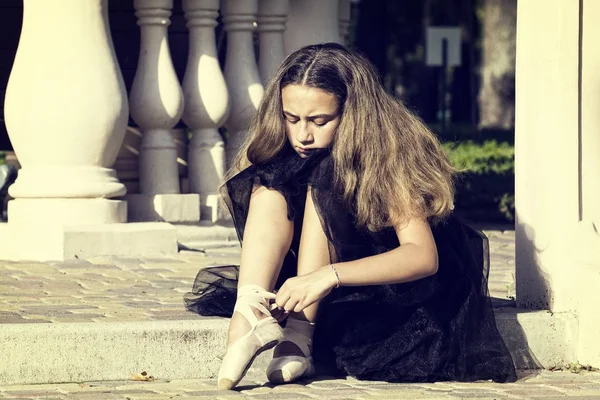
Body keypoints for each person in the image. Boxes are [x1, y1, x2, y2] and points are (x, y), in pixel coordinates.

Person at [185, 42, 516, 390]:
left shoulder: (389, 148)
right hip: (314, 283)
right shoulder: (290, 148)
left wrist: (327, 276)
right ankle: (248, 314)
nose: (302, 135)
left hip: (389, 290)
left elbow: (422, 256)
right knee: (270, 181)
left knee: (326, 177)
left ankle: (298, 333)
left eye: (319, 120)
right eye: (291, 118)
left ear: (353, 113)